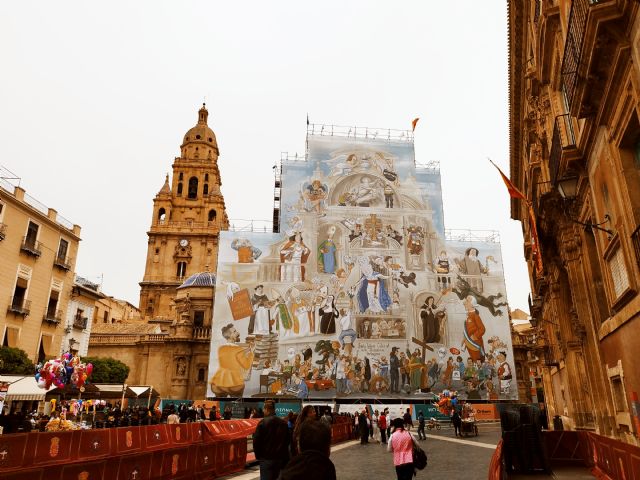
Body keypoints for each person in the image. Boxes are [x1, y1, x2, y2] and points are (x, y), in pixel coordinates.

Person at [253, 400, 290, 480]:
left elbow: (256, 441)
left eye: (264, 409)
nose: (263, 411)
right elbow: (287, 440)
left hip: (266, 458)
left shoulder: (262, 423)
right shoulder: (283, 423)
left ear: (267, 409)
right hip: (280, 458)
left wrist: (258, 456)